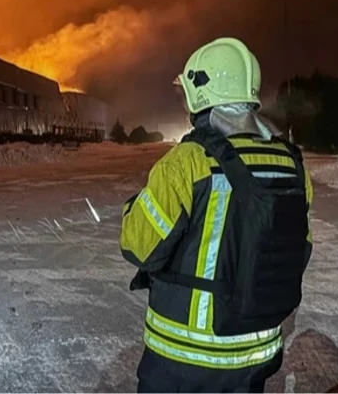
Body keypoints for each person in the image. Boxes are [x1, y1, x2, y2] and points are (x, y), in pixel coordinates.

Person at [120, 37, 314, 393]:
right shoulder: (291, 164)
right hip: (256, 354)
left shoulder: (187, 162)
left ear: (201, 95)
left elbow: (140, 247)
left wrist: (134, 209)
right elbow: (298, 251)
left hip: (184, 357)